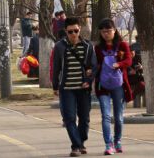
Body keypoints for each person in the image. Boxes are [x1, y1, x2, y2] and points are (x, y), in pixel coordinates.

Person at [52, 17, 97, 157]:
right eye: (70, 31)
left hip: (83, 89)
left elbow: (93, 66)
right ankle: (76, 146)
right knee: (69, 118)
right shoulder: (60, 46)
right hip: (66, 89)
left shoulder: (88, 46)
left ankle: (81, 142)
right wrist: (55, 85)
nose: (73, 34)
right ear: (65, 31)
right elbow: (56, 67)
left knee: (84, 118)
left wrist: (89, 80)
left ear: (80, 29)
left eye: (76, 31)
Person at [94, 19, 133, 155]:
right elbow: (96, 64)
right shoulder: (98, 48)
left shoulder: (123, 45)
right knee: (105, 115)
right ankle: (108, 144)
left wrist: (119, 64)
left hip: (118, 84)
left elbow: (128, 60)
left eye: (109, 31)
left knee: (118, 117)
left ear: (114, 30)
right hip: (103, 85)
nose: (106, 34)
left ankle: (117, 141)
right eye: (103, 31)